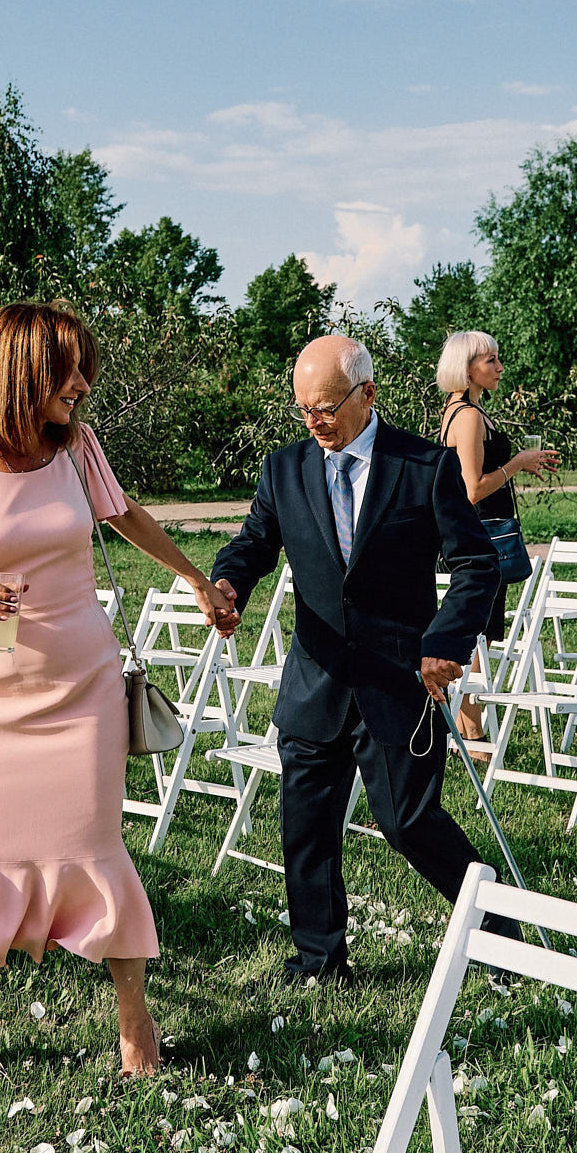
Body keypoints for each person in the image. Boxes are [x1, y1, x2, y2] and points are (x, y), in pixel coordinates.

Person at [0, 303, 235, 1089]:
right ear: (19, 373)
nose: (82, 386)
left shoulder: (78, 449)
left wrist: (195, 578)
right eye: (67, 371)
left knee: (97, 853)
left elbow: (125, 515)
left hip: (84, 689)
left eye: (83, 370)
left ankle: (136, 1026)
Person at [207, 334, 514, 984]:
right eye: (303, 411)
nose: (314, 422)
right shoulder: (283, 471)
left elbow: (476, 566)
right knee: (307, 827)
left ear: (367, 395)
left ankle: (500, 934)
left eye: (324, 408)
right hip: (315, 678)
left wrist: (443, 641)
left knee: (409, 823)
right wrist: (230, 582)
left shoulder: (424, 467)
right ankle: (318, 959)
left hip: (398, 680)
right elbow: (253, 544)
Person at [435, 329, 560, 749]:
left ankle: (470, 728)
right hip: (479, 541)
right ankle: (469, 732)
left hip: (481, 540)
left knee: (481, 638)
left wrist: (519, 466)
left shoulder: (465, 411)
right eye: (491, 360)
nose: (500, 367)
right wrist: (517, 463)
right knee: (476, 639)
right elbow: (471, 489)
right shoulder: (467, 416)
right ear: (467, 368)